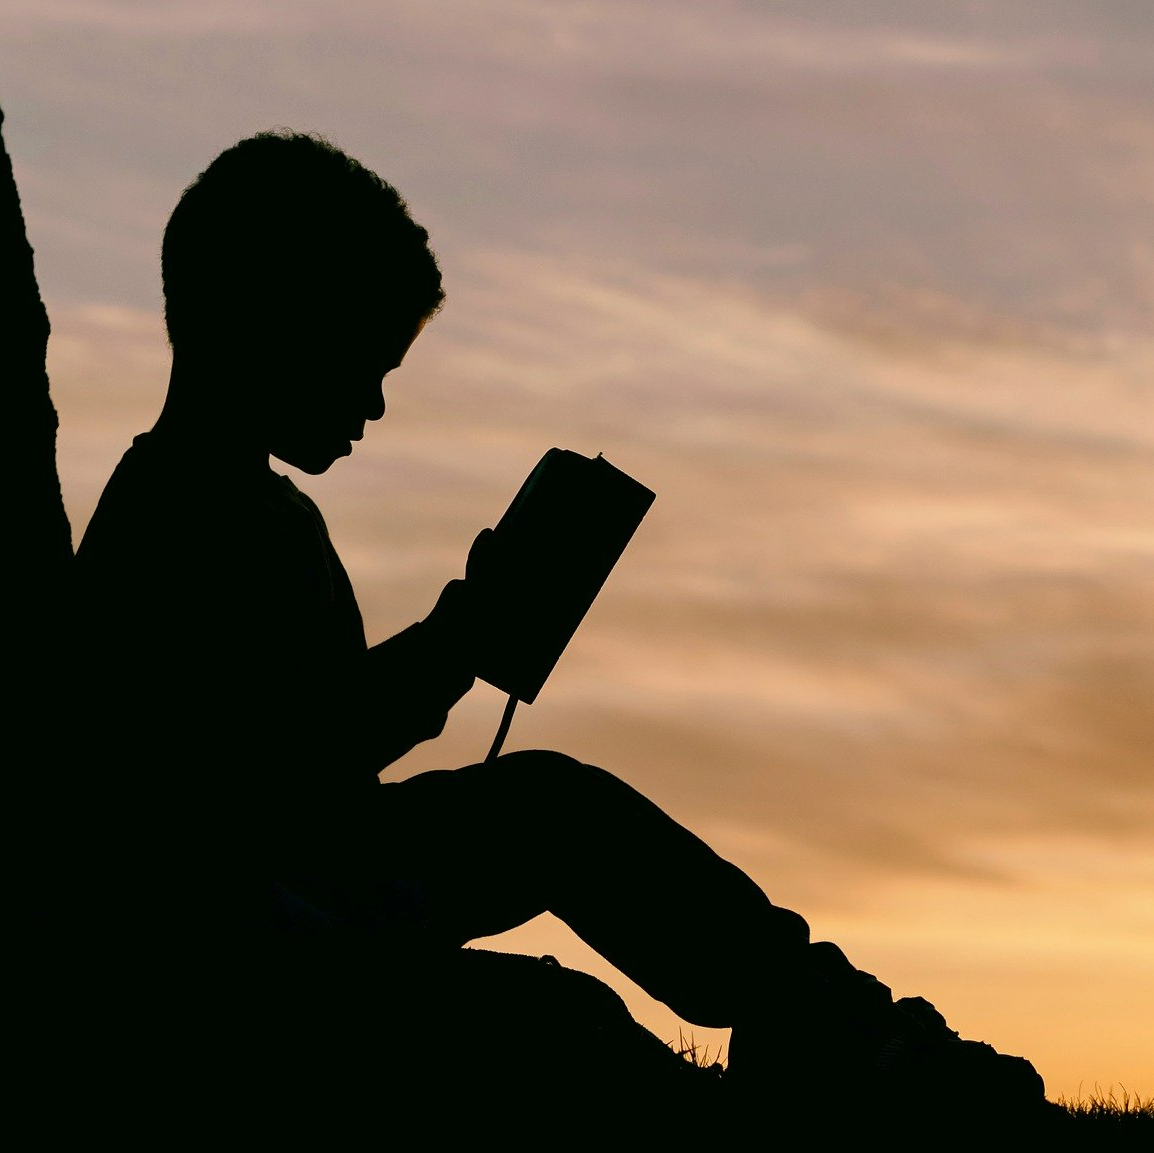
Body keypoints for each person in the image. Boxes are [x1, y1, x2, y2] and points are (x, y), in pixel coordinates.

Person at [65, 130, 1048, 1130]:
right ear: (271, 320)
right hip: (243, 951)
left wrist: (458, 637)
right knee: (565, 1021)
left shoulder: (261, 510)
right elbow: (261, 780)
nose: (374, 402)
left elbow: (315, 749)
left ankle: (834, 1030)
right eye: (362, 358)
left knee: (552, 806)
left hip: (313, 886)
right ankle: (835, 1072)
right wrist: (458, 640)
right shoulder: (171, 519)